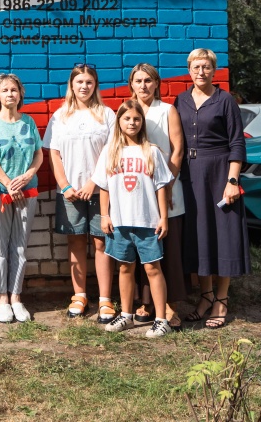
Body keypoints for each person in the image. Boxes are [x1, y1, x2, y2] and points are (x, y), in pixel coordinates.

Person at [173, 47, 250, 328]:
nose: (201, 72)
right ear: (189, 70)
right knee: (200, 233)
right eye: (196, 67)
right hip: (190, 174)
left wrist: (232, 181)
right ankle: (205, 295)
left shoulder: (225, 100)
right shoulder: (180, 100)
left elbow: (237, 143)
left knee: (223, 233)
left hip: (219, 172)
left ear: (214, 70)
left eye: (206, 67)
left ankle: (222, 299)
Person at [94, 99, 174, 338]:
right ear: (119, 121)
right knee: (125, 268)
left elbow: (161, 187)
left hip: (148, 222)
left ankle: (161, 319)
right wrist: (105, 215)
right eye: (127, 118)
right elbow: (104, 187)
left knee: (152, 268)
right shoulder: (110, 151)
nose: (132, 123)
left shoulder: (152, 151)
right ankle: (126, 315)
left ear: (142, 123)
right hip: (119, 222)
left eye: (137, 119)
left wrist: (164, 217)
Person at [44, 63, 117, 323]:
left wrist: (94, 183)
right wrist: (65, 185)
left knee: (101, 242)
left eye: (89, 82)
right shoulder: (60, 116)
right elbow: (53, 153)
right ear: (71, 85)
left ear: (95, 85)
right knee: (75, 242)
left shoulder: (107, 114)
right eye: (79, 82)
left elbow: (111, 152)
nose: (84, 86)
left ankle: (105, 299)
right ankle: (79, 296)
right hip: (70, 192)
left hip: (101, 190)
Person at [128, 63, 187, 331]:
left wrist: (169, 184)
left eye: (148, 80)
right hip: (136, 190)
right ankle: (146, 301)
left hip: (167, 187)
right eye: (138, 80)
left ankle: (170, 303)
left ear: (157, 84)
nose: (143, 85)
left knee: (168, 247)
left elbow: (177, 150)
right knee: (142, 246)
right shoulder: (128, 111)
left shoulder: (167, 110)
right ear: (131, 84)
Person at [0, 73, 43, 323]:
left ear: (20, 94)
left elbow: (38, 153)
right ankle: (2, 299)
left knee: (20, 245)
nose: (10, 94)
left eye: (14, 90)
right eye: (5, 90)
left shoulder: (29, 121)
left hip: (27, 192)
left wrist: (28, 175)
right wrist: (8, 184)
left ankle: (16, 297)